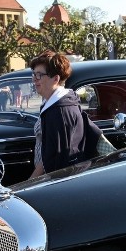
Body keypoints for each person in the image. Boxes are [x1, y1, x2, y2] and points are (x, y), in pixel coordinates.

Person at [29, 51, 101, 179]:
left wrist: (31, 181)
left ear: (55, 79)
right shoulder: (54, 103)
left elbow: (58, 160)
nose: (34, 79)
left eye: (39, 75)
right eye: (34, 74)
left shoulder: (59, 111)